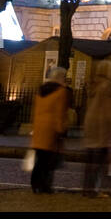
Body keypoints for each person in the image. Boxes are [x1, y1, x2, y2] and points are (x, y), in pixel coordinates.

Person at [81, 61, 111, 197]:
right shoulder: (108, 86)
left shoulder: (93, 84)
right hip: (102, 127)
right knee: (103, 160)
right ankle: (102, 189)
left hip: (90, 123)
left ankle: (87, 189)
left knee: (91, 159)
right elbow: (110, 111)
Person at [29, 66, 70, 194]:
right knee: (48, 161)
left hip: (39, 128)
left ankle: (35, 184)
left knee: (40, 159)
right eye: (65, 77)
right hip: (51, 129)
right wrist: (61, 130)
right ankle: (45, 186)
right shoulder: (61, 91)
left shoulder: (41, 90)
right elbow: (59, 113)